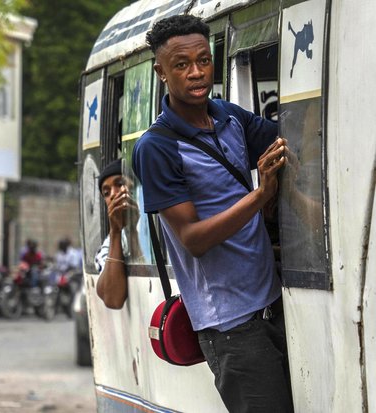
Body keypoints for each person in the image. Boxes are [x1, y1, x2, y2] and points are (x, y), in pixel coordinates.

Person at [131, 15, 293, 412]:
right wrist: (261, 195)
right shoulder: (156, 148)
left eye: (203, 60)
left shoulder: (228, 116)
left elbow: (291, 139)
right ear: (161, 72)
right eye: (182, 65)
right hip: (232, 328)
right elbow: (193, 239)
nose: (196, 72)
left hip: (276, 302)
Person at [94, 159, 141, 309]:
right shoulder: (113, 242)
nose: (114, 194)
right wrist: (115, 231)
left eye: (120, 183)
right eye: (106, 193)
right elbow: (113, 299)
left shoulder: (161, 220)